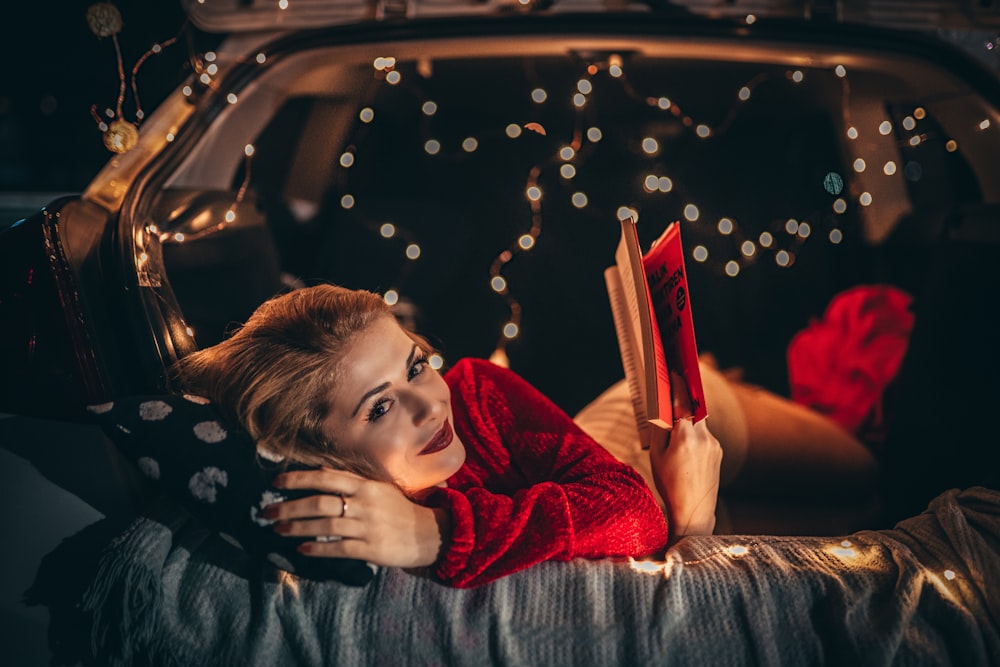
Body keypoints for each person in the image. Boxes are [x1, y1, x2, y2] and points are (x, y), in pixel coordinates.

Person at [174, 284, 722, 588]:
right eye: (380, 406)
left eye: (415, 367)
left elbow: (635, 513)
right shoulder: (344, 502)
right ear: (320, 452)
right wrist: (694, 532)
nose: (431, 406)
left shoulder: (476, 390)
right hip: (602, 447)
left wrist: (436, 534)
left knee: (713, 381)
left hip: (643, 435)